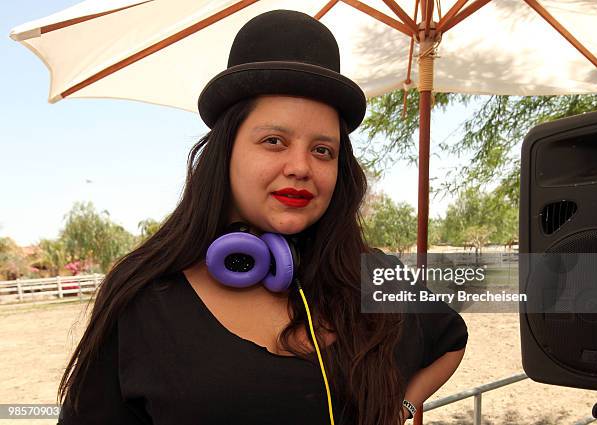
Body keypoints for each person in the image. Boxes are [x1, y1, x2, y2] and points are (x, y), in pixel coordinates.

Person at [56, 10, 467, 425]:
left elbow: (452, 338)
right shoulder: (142, 301)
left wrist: (403, 409)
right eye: (274, 141)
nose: (301, 166)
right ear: (226, 152)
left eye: (323, 150)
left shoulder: (373, 273)